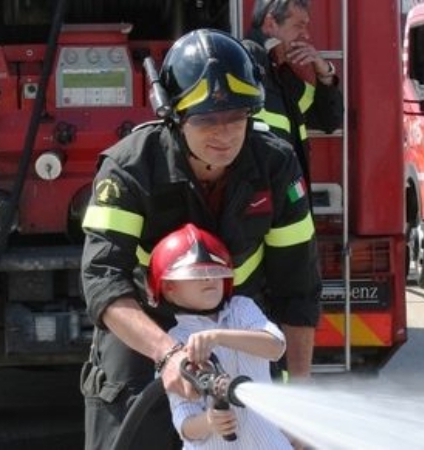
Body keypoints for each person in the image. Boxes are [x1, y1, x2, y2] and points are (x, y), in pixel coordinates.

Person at [80, 28, 321, 450]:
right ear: (175, 117)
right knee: (127, 428)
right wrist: (167, 353)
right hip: (146, 326)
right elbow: (103, 279)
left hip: (235, 323)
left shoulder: (275, 165)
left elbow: (297, 289)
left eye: (237, 117)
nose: (225, 134)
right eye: (207, 119)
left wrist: (296, 403)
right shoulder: (129, 168)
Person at [150, 223, 294, 449]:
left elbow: (275, 347)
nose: (209, 279)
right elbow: (184, 424)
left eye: (215, 271)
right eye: (197, 273)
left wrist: (218, 337)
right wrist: (209, 422)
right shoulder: (174, 345)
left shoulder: (242, 309)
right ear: (169, 288)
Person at [244, 0, 343, 184]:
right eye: (299, 26)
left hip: (288, 202)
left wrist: (325, 73)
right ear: (270, 23)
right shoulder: (246, 65)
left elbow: (328, 120)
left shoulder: (284, 77)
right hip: (262, 205)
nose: (305, 35)